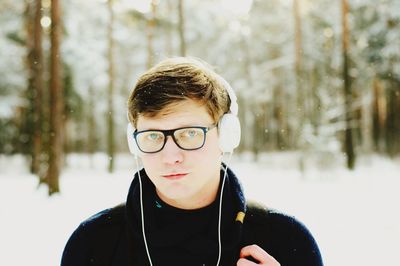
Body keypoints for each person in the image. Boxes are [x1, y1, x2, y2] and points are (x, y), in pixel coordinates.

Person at [61, 57, 323, 266]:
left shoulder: (286, 240)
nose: (170, 156)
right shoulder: (94, 243)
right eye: (152, 136)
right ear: (134, 142)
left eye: (189, 134)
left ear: (226, 136)